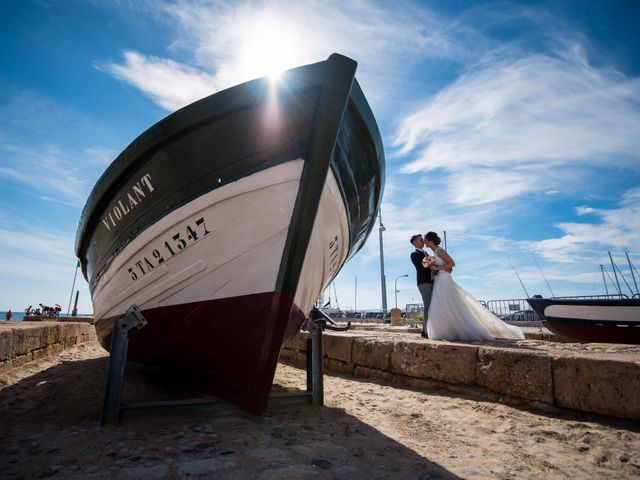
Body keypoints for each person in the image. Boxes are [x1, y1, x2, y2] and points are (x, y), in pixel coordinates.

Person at [424, 231, 524, 341]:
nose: (424, 241)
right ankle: (446, 330)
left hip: (444, 279)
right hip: (439, 279)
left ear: (430, 240)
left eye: (425, 239)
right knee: (440, 303)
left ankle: (453, 330)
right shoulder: (433, 253)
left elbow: (452, 263)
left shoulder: (440, 250)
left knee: (445, 301)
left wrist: (437, 268)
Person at [409, 234, 434, 338]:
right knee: (428, 305)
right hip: (424, 282)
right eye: (420, 240)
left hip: (431, 281)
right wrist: (433, 260)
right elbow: (423, 265)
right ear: (414, 242)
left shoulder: (426, 253)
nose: (423, 241)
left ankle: (431, 329)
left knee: (432, 305)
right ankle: (425, 331)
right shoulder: (414, 254)